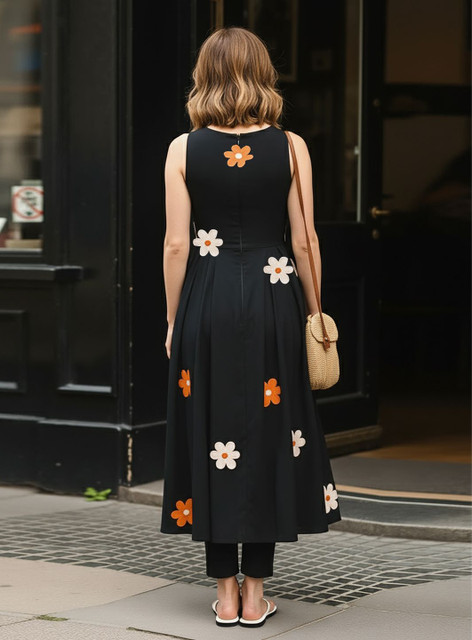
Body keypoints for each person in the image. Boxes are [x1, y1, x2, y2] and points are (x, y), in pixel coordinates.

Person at [160, 26, 341, 628]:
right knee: (268, 434)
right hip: (272, 298)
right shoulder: (290, 147)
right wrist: (315, 312)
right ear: (264, 74)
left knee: (210, 430)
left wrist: (173, 318)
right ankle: (257, 592)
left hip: (206, 300)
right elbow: (305, 240)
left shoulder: (182, 149)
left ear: (204, 76)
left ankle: (225, 592)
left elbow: (177, 244)